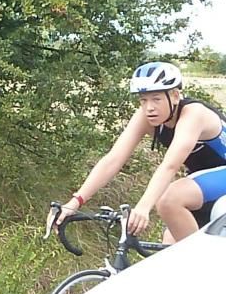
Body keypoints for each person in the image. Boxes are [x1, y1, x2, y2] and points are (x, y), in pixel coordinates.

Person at [53, 61, 226, 243]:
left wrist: (143, 207)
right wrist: (75, 202)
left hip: (211, 179)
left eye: (156, 99)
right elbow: (113, 159)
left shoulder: (193, 113)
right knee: (169, 249)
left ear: (175, 96)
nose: (149, 107)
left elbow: (170, 165)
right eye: (143, 100)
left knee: (169, 200)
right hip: (203, 183)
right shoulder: (146, 116)